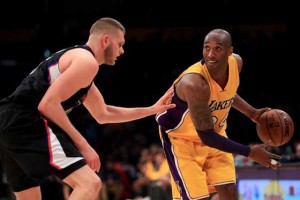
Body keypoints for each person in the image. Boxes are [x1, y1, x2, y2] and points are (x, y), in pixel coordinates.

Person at [0, 17, 175, 200]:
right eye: (120, 44)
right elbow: (48, 105)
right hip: (24, 120)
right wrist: (83, 145)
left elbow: (104, 113)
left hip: (7, 121)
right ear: (106, 40)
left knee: (30, 197)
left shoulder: (79, 61)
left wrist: (152, 109)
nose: (122, 51)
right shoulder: (86, 62)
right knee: (90, 184)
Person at [155, 29, 281, 200]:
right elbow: (206, 136)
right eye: (207, 48)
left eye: (218, 49)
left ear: (230, 51)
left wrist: (252, 113)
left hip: (216, 135)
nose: (211, 54)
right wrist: (250, 152)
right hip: (183, 142)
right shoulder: (194, 83)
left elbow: (226, 92)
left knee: (229, 193)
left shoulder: (236, 63)